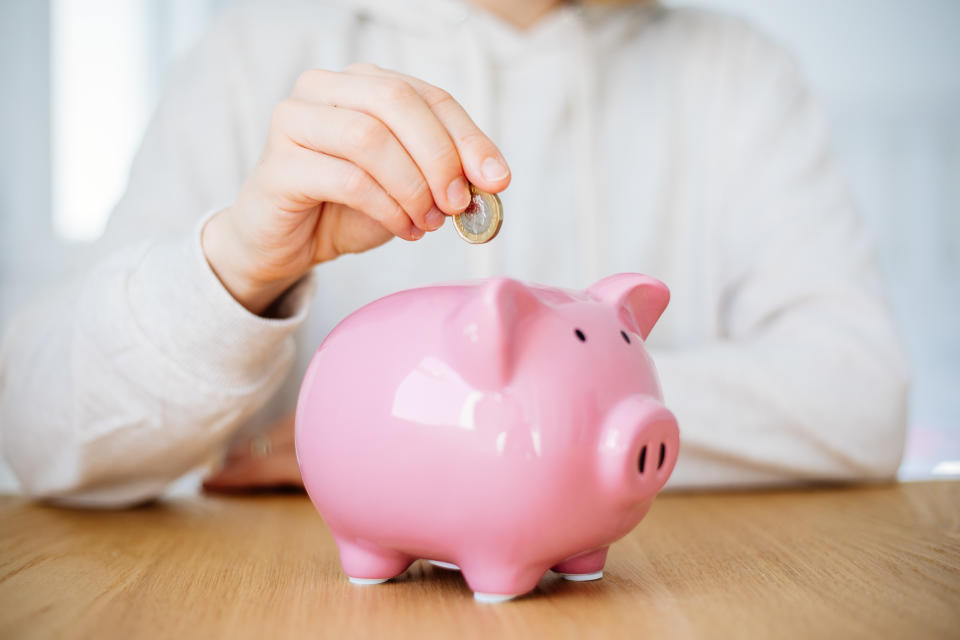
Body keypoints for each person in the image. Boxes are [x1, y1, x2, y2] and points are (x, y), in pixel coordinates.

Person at [0, 0, 909, 507]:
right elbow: (36, 425)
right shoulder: (255, 54)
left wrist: (430, 437)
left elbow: (860, 396)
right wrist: (238, 267)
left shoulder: (738, 71)